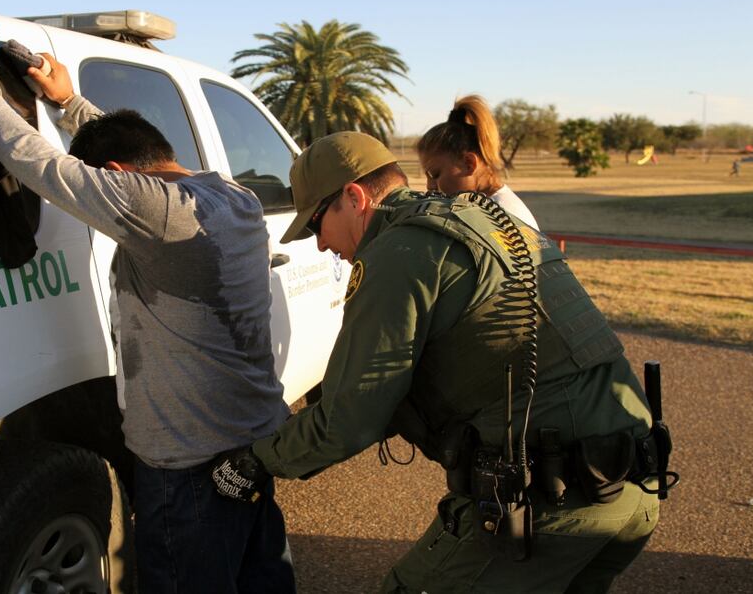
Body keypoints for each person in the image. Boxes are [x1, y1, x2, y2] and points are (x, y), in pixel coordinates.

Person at [212, 131, 666, 592]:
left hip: (552, 505)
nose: (323, 246)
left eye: (315, 225)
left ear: (353, 198)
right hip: (630, 488)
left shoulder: (398, 252)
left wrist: (254, 461)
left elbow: (349, 420)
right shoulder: (481, 217)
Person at [0, 18, 295, 593]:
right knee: (262, 579)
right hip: (252, 449)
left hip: (188, 469)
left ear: (115, 179)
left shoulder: (158, 212)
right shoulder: (231, 195)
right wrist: (69, 103)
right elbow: (130, 155)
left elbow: (38, 163)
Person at [416, 95, 540, 230]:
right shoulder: (477, 208)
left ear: (469, 163)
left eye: (435, 174)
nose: (429, 186)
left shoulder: (503, 217)